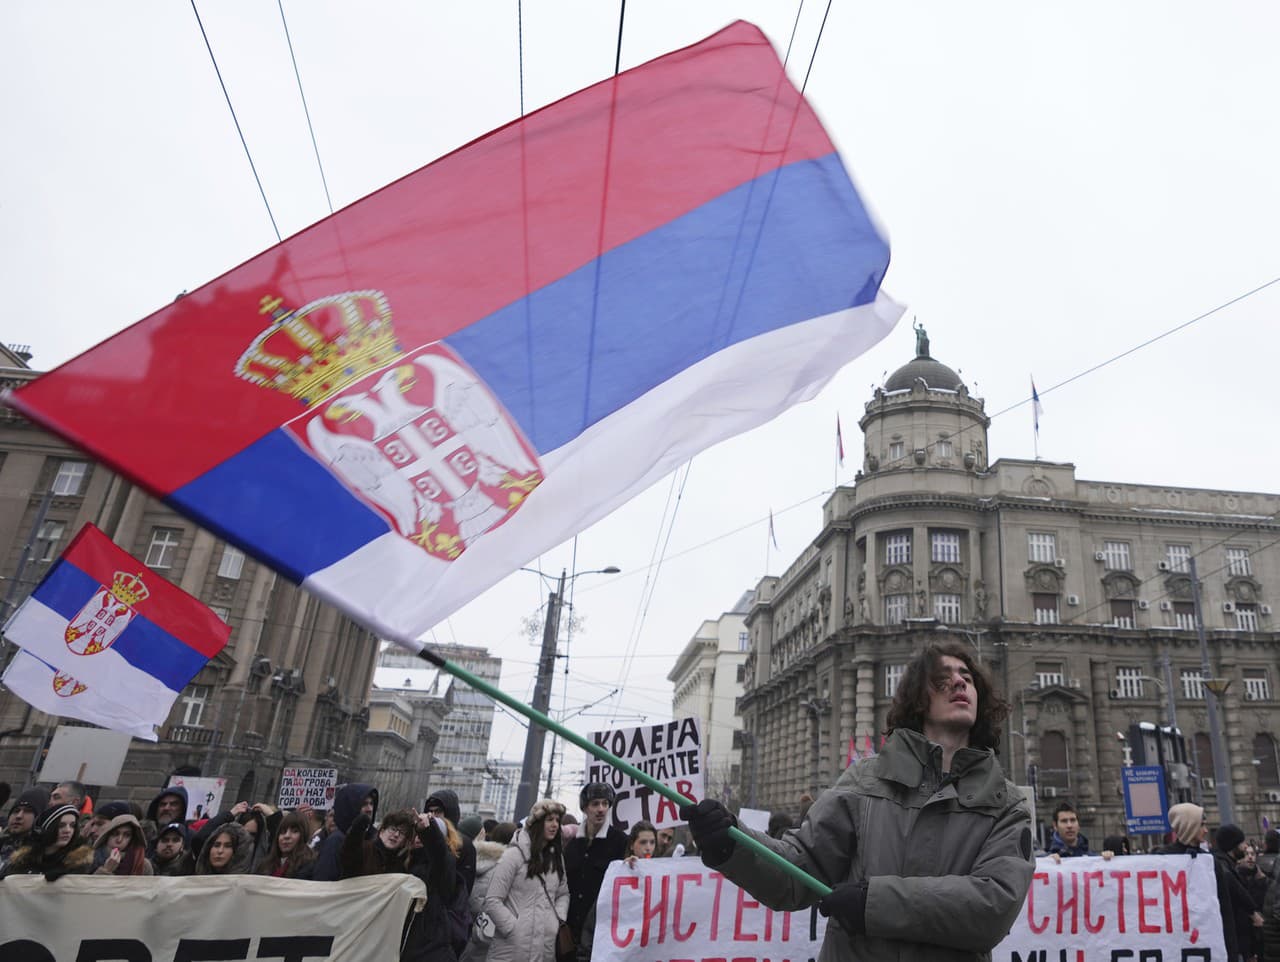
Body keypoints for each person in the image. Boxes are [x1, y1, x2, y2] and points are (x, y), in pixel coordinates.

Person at [680, 640, 1035, 960]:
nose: (959, 683)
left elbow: (993, 906)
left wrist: (873, 903)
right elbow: (799, 870)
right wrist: (731, 843)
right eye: (942, 678)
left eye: (967, 677)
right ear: (917, 698)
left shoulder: (1006, 803)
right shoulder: (864, 782)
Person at [485, 799, 570, 962]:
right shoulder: (513, 855)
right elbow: (492, 900)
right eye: (549, 820)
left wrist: (556, 920)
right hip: (511, 951)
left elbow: (563, 894)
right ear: (537, 823)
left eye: (558, 821)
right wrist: (513, 929)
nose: (555, 825)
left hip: (545, 949)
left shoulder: (557, 859)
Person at [1157, 804, 1241, 962]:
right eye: (1201, 824)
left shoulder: (1210, 862)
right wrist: (1108, 861)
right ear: (1189, 826)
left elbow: (1225, 910)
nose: (1206, 830)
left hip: (1205, 942)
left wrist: (1231, 954)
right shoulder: (1162, 858)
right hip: (1174, 945)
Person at [563, 782, 627, 944]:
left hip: (601, 933)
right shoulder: (572, 845)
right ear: (585, 808)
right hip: (570, 931)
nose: (601, 809)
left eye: (605, 804)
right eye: (595, 804)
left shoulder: (620, 841)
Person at [1, 803, 93, 880]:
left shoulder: (77, 863)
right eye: (61, 825)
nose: (68, 830)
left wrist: (65, 880)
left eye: (72, 825)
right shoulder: (25, 859)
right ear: (47, 829)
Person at [313, 782, 377, 881]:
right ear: (351, 807)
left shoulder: (374, 837)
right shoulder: (336, 841)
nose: (370, 809)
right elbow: (323, 881)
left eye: (371, 804)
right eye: (364, 804)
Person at [256, 811, 316, 879]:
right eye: (283, 832)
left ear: (304, 835)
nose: (286, 836)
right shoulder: (265, 865)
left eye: (295, 831)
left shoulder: (310, 866)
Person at [0, 788, 49, 871]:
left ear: (39, 817)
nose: (19, 816)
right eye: (16, 811)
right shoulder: (2, 843)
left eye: (28, 811)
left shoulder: (42, 853)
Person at [91, 812, 153, 876]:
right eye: (115, 833)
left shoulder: (142, 865)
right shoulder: (89, 859)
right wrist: (106, 870)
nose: (119, 840)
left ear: (132, 840)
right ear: (107, 835)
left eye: (127, 835)